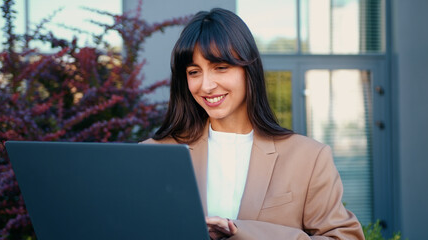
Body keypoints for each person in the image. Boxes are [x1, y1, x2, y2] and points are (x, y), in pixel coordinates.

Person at [142, 8, 365, 240]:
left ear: (249, 70)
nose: (206, 85)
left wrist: (244, 232)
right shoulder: (154, 155)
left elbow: (343, 237)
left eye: (220, 68)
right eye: (194, 71)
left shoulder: (308, 158)